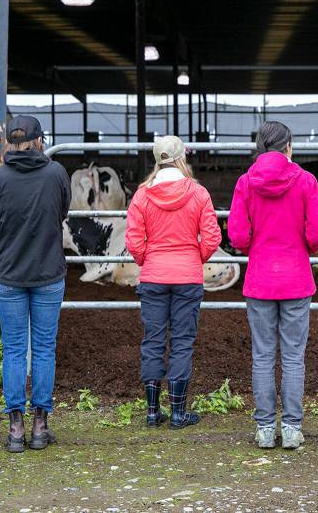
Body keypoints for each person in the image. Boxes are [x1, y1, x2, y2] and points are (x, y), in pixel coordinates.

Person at [227, 121, 318, 450]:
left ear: (259, 147)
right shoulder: (306, 181)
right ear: (288, 146)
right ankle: (293, 429)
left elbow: (238, 235)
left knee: (263, 356)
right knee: (294, 357)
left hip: (259, 280)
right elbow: (317, 234)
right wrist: (303, 250)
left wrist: (254, 250)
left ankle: (266, 430)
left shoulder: (245, 183)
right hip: (297, 279)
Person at [0, 115, 71, 453]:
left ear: (9, 142)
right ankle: (40, 425)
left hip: (9, 275)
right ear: (39, 140)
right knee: (45, 348)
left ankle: (16, 428)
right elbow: (62, 212)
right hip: (48, 273)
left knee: (14, 349)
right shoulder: (56, 173)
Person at [124, 135, 221, 429]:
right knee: (181, 343)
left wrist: (147, 260)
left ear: (157, 159)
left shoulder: (142, 195)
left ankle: (153, 413)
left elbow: (133, 241)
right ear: (182, 158)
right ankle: (178, 413)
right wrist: (195, 258)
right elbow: (213, 237)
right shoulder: (199, 193)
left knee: (153, 341)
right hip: (187, 277)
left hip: (153, 276)